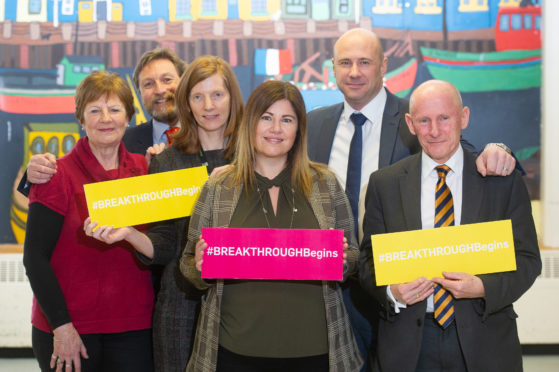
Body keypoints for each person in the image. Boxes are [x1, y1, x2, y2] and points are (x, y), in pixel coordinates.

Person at [306, 27, 518, 370]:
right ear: (332, 67)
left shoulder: (417, 115)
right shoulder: (314, 125)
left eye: (365, 62)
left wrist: (501, 151)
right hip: (332, 289)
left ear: (384, 65)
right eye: (345, 62)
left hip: (406, 293)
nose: (355, 72)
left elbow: (458, 154)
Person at [180, 80, 363, 372]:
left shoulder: (325, 184)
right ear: (251, 123)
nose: (275, 128)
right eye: (266, 117)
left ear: (298, 130)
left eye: (286, 120)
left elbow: (353, 257)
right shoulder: (218, 187)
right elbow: (188, 264)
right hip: (234, 351)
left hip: (315, 352)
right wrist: (200, 267)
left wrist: (343, 260)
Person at [359, 80, 541, 372]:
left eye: (444, 118)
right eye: (424, 120)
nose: (434, 131)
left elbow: (529, 260)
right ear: (410, 123)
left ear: (463, 117)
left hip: (484, 336)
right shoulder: (385, 184)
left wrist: (483, 287)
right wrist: (392, 292)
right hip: (407, 344)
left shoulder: (500, 179)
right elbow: (368, 262)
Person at [83, 55, 244, 372]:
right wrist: (131, 234)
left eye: (217, 95)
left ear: (232, 98)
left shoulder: (255, 155)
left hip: (242, 301)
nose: (208, 106)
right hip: (180, 304)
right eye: (197, 96)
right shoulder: (167, 160)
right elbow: (166, 241)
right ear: (186, 101)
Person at [23, 71, 154, 372]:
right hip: (70, 329)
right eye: (94, 110)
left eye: (115, 109)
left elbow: (160, 245)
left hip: (135, 328)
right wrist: (62, 327)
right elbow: (35, 258)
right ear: (81, 120)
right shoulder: (55, 175)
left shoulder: (146, 172)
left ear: (129, 117)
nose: (105, 118)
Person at [18, 47, 186, 190]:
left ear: (184, 83)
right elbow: (75, 182)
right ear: (140, 93)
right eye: (148, 84)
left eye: (167, 79)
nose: (159, 90)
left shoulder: (209, 135)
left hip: (205, 229)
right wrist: (35, 175)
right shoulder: (118, 142)